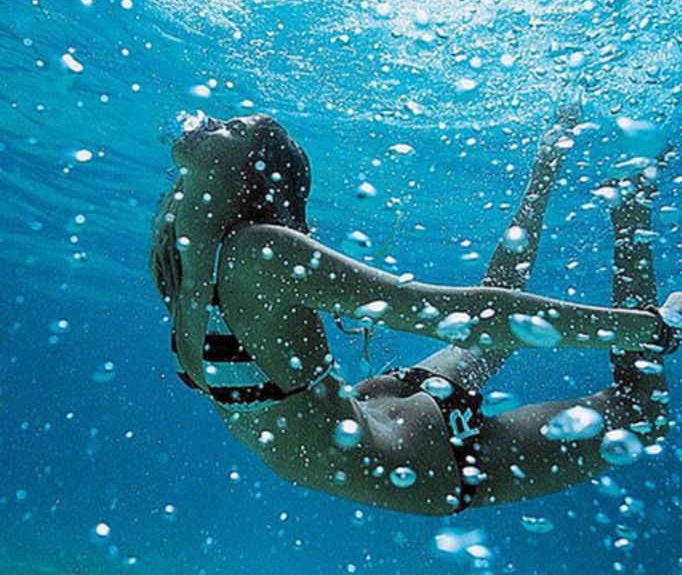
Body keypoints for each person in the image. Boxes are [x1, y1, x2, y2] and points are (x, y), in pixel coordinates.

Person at [150, 108, 680, 516]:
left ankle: (636, 234)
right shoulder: (180, 258)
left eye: (234, 127)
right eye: (232, 124)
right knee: (510, 325)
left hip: (422, 461)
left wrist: (649, 330)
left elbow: (460, 312)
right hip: (390, 416)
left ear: (251, 174)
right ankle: (589, 188)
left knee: (643, 414)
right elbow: (482, 312)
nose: (212, 121)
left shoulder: (257, 255)